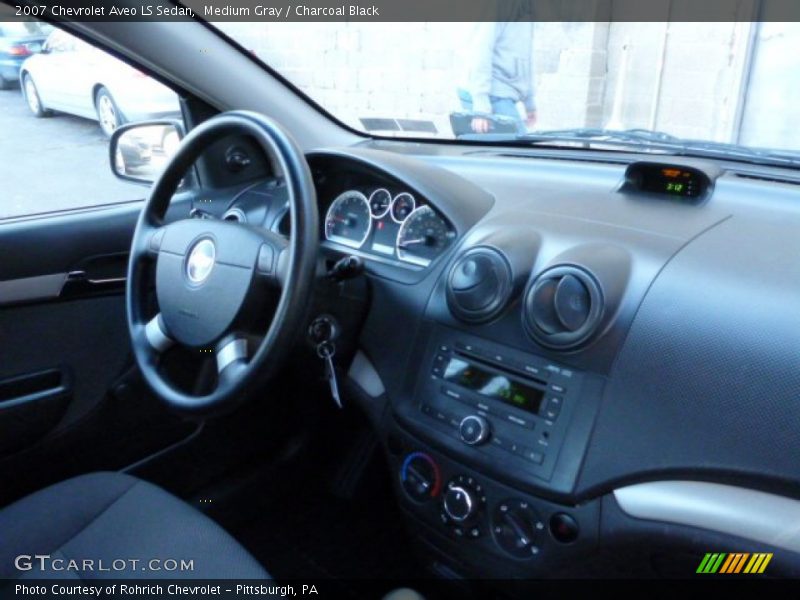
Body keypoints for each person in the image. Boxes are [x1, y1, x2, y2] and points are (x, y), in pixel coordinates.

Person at [458, 21, 537, 134]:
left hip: (501, 92)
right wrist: (481, 109)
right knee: (519, 148)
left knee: (513, 148)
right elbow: (481, 51)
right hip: (490, 93)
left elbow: (526, 55)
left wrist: (529, 103)